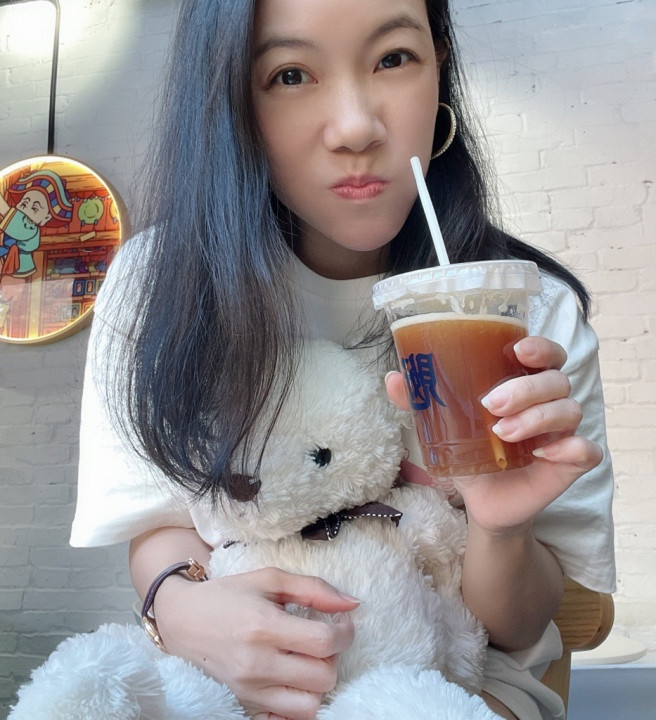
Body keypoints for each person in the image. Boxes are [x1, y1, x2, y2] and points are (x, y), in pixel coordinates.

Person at [70, 0, 615, 718]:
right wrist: (180, 607)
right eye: (290, 74)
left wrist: (501, 526)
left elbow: (519, 629)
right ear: (232, 99)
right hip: (220, 685)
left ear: (439, 65)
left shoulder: (529, 310)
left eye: (393, 58)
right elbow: (159, 523)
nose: (357, 127)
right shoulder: (159, 284)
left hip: (453, 682)